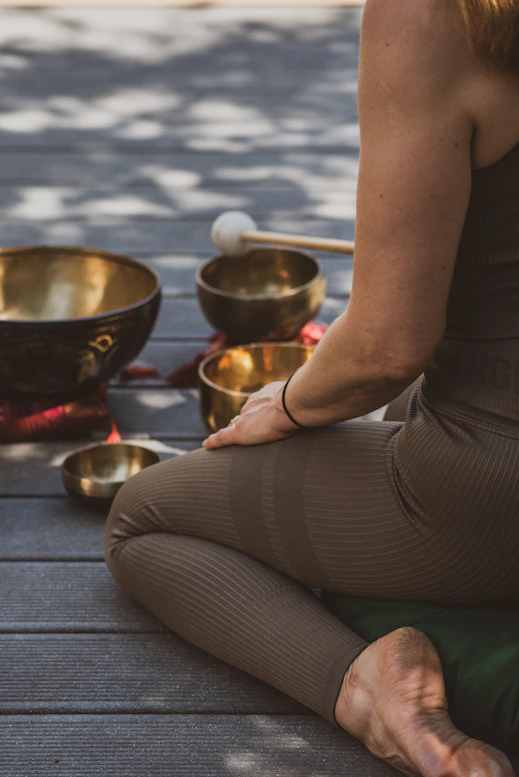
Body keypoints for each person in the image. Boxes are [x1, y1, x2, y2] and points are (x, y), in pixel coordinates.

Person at [104, 1, 519, 774]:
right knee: (407, 411)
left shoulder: (431, 15)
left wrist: (291, 402)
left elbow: (386, 349)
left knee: (145, 518)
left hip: (493, 493)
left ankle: (366, 691)